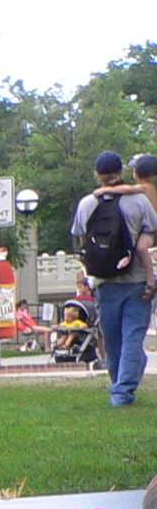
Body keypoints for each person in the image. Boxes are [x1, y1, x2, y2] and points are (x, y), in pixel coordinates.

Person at [73, 150, 157, 405]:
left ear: (97, 174)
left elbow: (79, 237)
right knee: (133, 335)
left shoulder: (87, 203)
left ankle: (119, 384)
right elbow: (152, 230)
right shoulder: (139, 201)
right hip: (137, 279)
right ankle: (122, 392)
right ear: (120, 172)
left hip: (103, 281)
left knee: (112, 338)